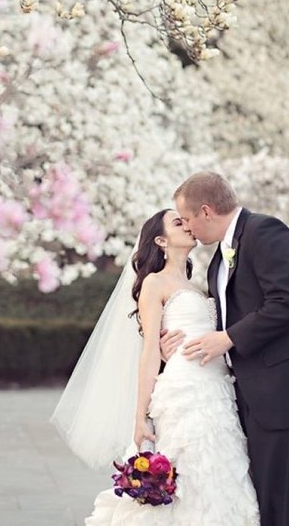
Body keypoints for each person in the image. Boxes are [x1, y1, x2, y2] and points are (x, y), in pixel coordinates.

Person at [51, 209, 259, 525]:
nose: (188, 226)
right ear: (161, 240)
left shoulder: (198, 284)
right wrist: (140, 417)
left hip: (217, 392)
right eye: (178, 223)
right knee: (188, 478)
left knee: (219, 474)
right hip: (184, 394)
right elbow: (149, 351)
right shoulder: (153, 283)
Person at [167, 171, 289, 526]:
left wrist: (228, 338)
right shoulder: (218, 257)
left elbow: (288, 302)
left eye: (186, 219)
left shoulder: (267, 232)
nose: (188, 228)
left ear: (205, 211)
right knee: (260, 500)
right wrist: (176, 336)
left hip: (285, 390)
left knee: (283, 501)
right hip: (248, 392)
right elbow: (229, 313)